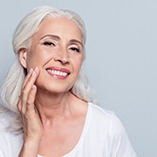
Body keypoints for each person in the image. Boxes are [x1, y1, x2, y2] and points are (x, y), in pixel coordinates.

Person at [0, 5, 137, 157]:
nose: (64, 58)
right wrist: (31, 140)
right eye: (50, 43)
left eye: (74, 48)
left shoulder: (107, 128)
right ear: (24, 56)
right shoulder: (2, 131)